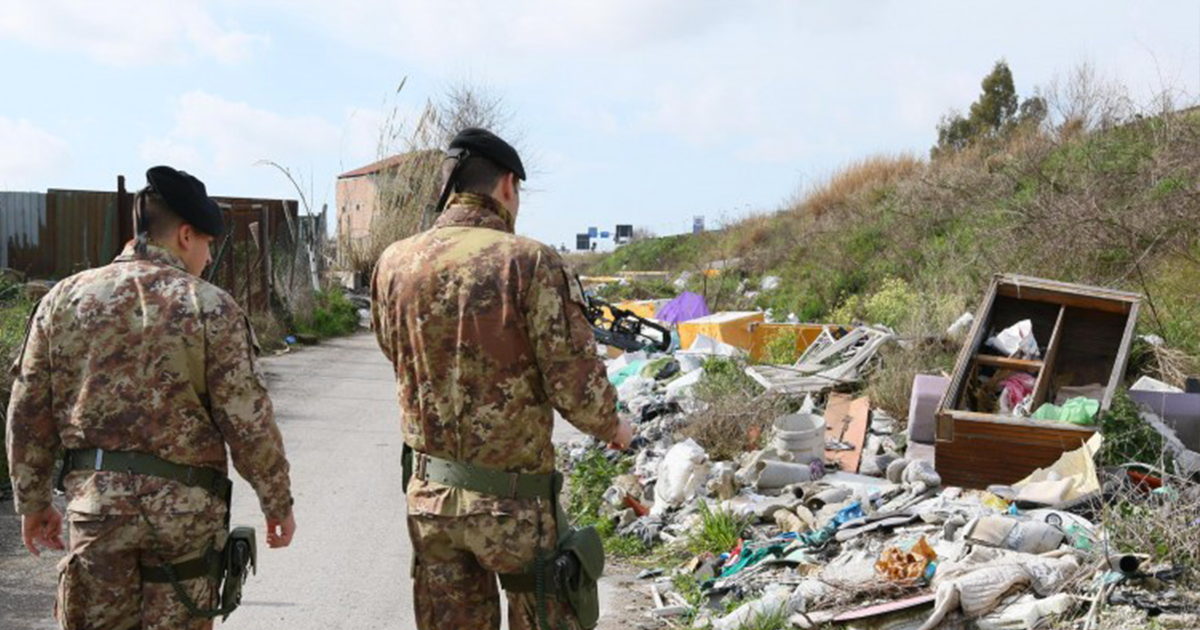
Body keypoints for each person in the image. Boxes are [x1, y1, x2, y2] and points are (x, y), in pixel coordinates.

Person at [6, 166, 296, 630]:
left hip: (96, 513)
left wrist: (33, 500)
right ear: (185, 235)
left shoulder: (63, 300)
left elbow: (28, 412)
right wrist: (276, 501)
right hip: (185, 521)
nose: (207, 256)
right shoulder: (210, 306)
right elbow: (248, 420)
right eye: (206, 244)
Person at [372, 128, 633, 630]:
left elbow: (395, 352)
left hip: (431, 502)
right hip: (515, 508)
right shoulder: (529, 262)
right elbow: (575, 385)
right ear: (507, 186)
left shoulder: (394, 263)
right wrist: (613, 427)